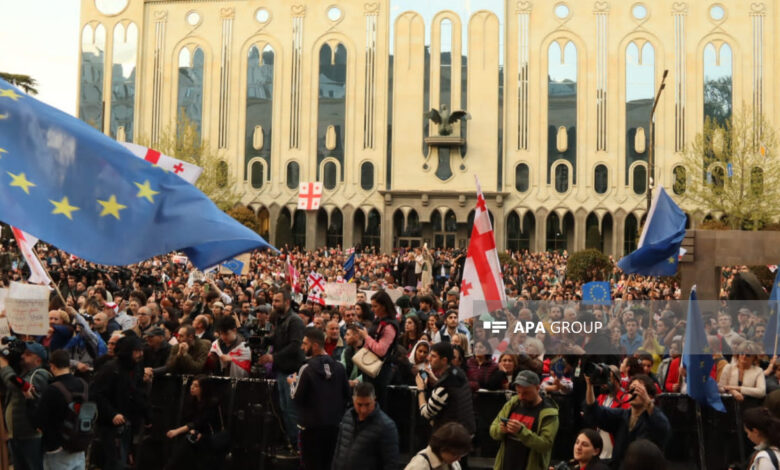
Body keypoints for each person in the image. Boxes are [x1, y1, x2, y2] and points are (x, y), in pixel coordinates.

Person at [291, 327, 350, 470]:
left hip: (311, 429)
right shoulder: (340, 367)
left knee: (311, 465)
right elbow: (346, 396)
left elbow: (297, 398)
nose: (302, 347)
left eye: (305, 344)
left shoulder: (306, 369)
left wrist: (292, 383)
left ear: (315, 345)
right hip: (334, 427)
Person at [584, 374, 670, 468]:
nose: (633, 393)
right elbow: (595, 411)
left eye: (638, 390)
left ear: (649, 395)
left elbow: (663, 429)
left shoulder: (653, 418)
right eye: (631, 390)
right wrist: (589, 385)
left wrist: (647, 401)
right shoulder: (622, 415)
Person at [91, 335, 150, 470]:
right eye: (136, 351)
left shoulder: (135, 368)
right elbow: (96, 394)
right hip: (109, 424)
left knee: (121, 459)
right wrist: (112, 414)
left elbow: (136, 392)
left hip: (126, 421)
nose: (140, 354)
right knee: (113, 461)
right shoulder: (111, 369)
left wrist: (147, 415)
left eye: (141, 351)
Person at [258, 290, 305, 449]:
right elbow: (277, 338)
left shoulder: (295, 321)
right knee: (284, 409)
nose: (274, 304)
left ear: (287, 302)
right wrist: (263, 340)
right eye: (273, 301)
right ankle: (292, 442)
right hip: (282, 370)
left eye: (277, 301)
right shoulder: (280, 319)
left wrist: (273, 357)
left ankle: (298, 446)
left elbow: (294, 345)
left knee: (291, 411)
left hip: (292, 371)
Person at [489, 370, 560, 470]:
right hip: (505, 464)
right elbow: (493, 430)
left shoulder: (548, 413)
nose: (521, 396)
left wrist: (521, 431)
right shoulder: (512, 403)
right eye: (518, 392)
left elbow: (545, 445)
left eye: (526, 393)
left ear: (537, 388)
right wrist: (501, 430)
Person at [33, 349, 89, 470]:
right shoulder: (83, 384)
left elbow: (39, 421)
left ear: (52, 366)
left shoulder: (52, 390)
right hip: (79, 444)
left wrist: (29, 400)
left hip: (57, 448)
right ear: (69, 365)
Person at [0, 342, 52, 470]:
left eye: (28, 354)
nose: (22, 356)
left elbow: (18, 387)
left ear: (38, 360)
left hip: (31, 434)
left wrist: (5, 366)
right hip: (16, 434)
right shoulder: (23, 373)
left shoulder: (41, 374)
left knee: (34, 466)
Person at [164, 376, 228, 470]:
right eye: (192, 385)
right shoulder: (192, 400)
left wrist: (177, 431)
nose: (192, 387)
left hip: (211, 437)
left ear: (204, 388)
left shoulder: (212, 403)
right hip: (196, 434)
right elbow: (190, 421)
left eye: (196, 386)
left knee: (187, 441)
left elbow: (200, 422)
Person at [332, 382, 400, 470]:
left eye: (367, 404)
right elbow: (338, 451)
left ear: (374, 400)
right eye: (359, 405)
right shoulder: (347, 417)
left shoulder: (387, 426)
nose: (363, 410)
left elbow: (391, 464)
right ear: (353, 400)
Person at [416, 342, 476, 436]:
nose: (429, 358)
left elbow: (426, 413)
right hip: (466, 431)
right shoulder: (458, 372)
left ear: (444, 360)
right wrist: (437, 381)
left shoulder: (443, 387)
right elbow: (450, 388)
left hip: (451, 437)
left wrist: (421, 390)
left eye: (433, 356)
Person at [358, 291, 399, 408]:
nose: (372, 309)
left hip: (379, 372)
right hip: (371, 370)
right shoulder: (378, 321)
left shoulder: (389, 326)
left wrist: (366, 337)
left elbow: (381, 350)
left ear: (384, 306)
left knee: (376, 405)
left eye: (375, 306)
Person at [405, 422, 472, 470]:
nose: (458, 459)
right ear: (443, 448)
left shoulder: (453, 463)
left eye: (461, 455)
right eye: (455, 454)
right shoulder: (419, 465)